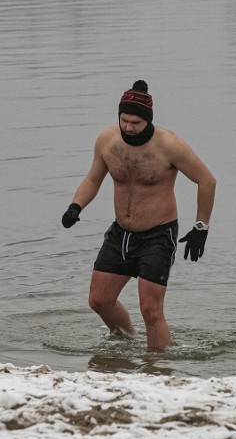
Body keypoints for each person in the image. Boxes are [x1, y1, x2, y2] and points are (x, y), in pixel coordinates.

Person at [61, 80, 216, 351]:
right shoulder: (107, 141)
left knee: (151, 311)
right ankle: (127, 342)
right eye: (124, 120)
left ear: (148, 120)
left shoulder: (170, 145)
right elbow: (93, 179)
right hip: (121, 233)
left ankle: (157, 369)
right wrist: (76, 206)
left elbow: (207, 181)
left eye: (136, 122)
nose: (129, 127)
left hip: (158, 234)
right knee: (99, 300)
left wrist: (200, 227)